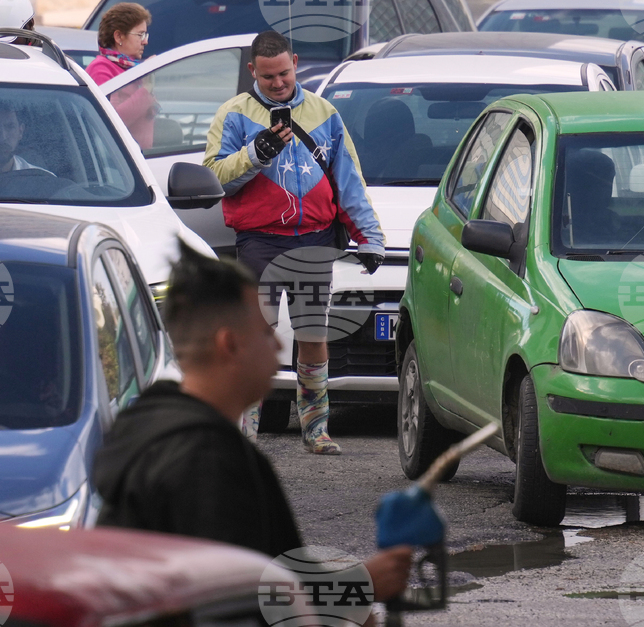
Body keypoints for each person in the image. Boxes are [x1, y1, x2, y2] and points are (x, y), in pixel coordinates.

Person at [93, 242, 412, 603]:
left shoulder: (152, 430)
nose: (277, 345)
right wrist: (358, 587)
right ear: (230, 344)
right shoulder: (209, 462)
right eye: (264, 332)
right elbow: (242, 603)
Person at [203, 31, 385, 454]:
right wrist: (256, 153)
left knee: (313, 333)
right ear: (253, 71)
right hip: (259, 242)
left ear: (296, 63)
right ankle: (243, 432)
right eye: (268, 77)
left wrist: (370, 237)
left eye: (284, 73)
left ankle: (316, 429)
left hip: (313, 241)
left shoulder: (325, 113)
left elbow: (349, 181)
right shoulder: (233, 115)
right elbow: (215, 179)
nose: (278, 82)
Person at [86, 2, 159, 150]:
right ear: (119, 36)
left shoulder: (132, 68)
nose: (145, 41)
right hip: (116, 163)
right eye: (140, 35)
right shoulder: (100, 68)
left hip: (142, 157)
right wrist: (146, 90)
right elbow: (110, 121)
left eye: (145, 34)